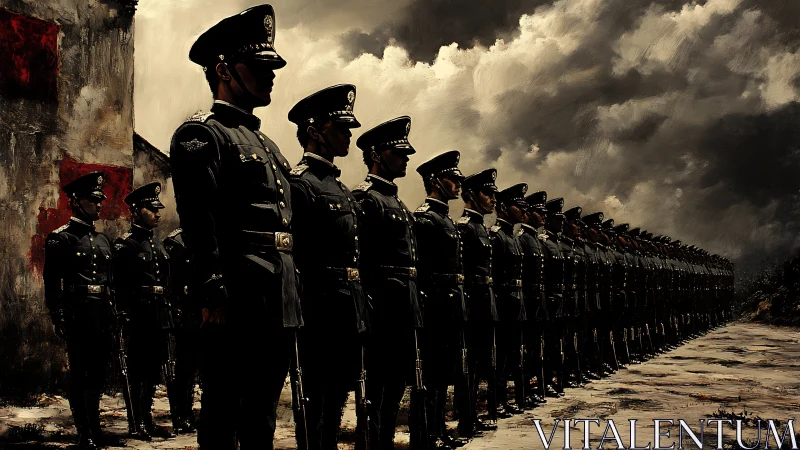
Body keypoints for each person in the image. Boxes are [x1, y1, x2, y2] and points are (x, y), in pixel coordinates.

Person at [169, 5, 303, 449]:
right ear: (224, 70)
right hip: (237, 295)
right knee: (225, 412)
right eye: (259, 66)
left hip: (275, 293)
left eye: (272, 67)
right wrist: (211, 291)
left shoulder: (267, 144)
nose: (271, 75)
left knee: (261, 415)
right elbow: (198, 219)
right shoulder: (203, 135)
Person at [287, 84, 369, 450]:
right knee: (315, 398)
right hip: (318, 309)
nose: (349, 134)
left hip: (346, 307)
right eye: (341, 127)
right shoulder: (299, 185)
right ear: (314, 132)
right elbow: (296, 257)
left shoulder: (341, 188)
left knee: (338, 394)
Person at [352, 115, 424, 449]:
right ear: (378, 155)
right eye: (399, 153)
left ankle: (384, 441)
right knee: (376, 388)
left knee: (396, 385)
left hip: (403, 306)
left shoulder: (399, 203)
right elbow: (360, 260)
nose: (406, 158)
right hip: (380, 307)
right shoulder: (366, 200)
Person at [43, 172, 115, 450]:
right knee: (81, 374)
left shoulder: (104, 240)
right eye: (92, 200)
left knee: (97, 375)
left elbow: (112, 282)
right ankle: (84, 431)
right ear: (76, 201)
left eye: (100, 200)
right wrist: (58, 316)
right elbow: (52, 283)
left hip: (102, 315)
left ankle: (95, 429)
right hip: (78, 314)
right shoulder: (60, 239)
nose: (98, 205)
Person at [413, 150, 468, 449]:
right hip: (433, 305)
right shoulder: (425, 219)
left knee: (443, 374)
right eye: (451, 179)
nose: (457, 184)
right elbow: (421, 269)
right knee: (430, 376)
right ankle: (426, 434)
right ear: (435, 181)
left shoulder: (444, 219)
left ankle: (438, 429)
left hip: (448, 305)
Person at [113, 181, 175, 440]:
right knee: (137, 372)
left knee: (152, 372)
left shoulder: (158, 245)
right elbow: (120, 286)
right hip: (139, 316)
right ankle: (135, 422)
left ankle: (147, 419)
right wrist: (124, 316)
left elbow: (167, 283)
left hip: (159, 316)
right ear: (136, 211)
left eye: (158, 209)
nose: (157, 214)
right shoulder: (125, 246)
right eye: (151, 209)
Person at [456, 168, 502, 431]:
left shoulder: (480, 228)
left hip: (484, 303)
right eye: (488, 193)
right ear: (472, 195)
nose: (493, 199)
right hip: (471, 304)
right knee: (467, 366)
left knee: (476, 363)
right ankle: (465, 419)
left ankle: (472, 416)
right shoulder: (465, 228)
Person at [490, 183, 528, 414]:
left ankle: (504, 400)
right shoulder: (497, 236)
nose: (522, 211)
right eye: (518, 206)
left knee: (512, 352)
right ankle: (497, 401)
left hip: (514, 300)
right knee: (501, 355)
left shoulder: (512, 237)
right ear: (504, 208)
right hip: (502, 300)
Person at [163, 227, 200, 433]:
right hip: (186, 315)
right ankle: (182, 414)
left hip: (209, 313)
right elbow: (170, 283)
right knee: (186, 368)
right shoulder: (176, 242)